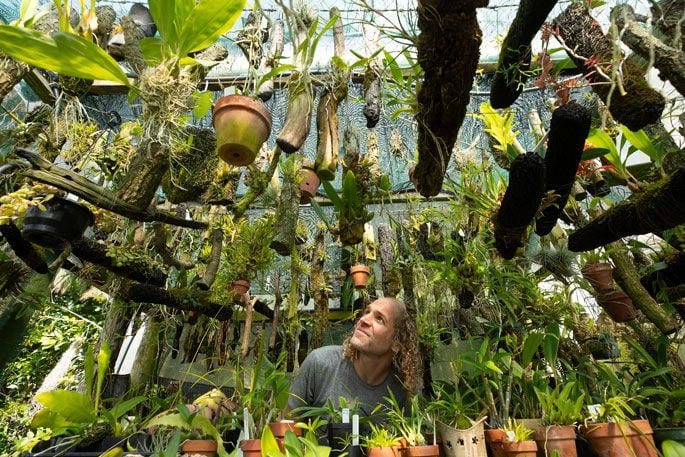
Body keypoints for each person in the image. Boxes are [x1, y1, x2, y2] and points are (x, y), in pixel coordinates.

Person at [287, 297, 421, 417]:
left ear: (397, 342)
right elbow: (285, 429)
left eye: (379, 319)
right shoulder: (320, 363)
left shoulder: (402, 387)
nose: (363, 320)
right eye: (367, 312)